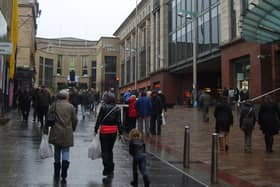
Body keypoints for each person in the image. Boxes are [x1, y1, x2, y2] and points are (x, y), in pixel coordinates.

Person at [43, 90, 77, 184]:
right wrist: (72, 128)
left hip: (55, 131)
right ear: (66, 97)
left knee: (57, 150)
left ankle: (57, 172)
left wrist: (45, 131)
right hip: (67, 132)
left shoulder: (54, 105)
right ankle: (64, 172)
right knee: (66, 150)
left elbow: (48, 118)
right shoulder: (70, 107)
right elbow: (74, 119)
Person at [94, 93, 123, 178]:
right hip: (113, 131)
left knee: (104, 150)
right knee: (110, 149)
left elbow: (99, 119)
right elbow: (118, 122)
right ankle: (111, 166)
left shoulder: (103, 107)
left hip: (104, 131)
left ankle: (107, 167)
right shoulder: (117, 109)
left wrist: (96, 129)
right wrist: (121, 133)